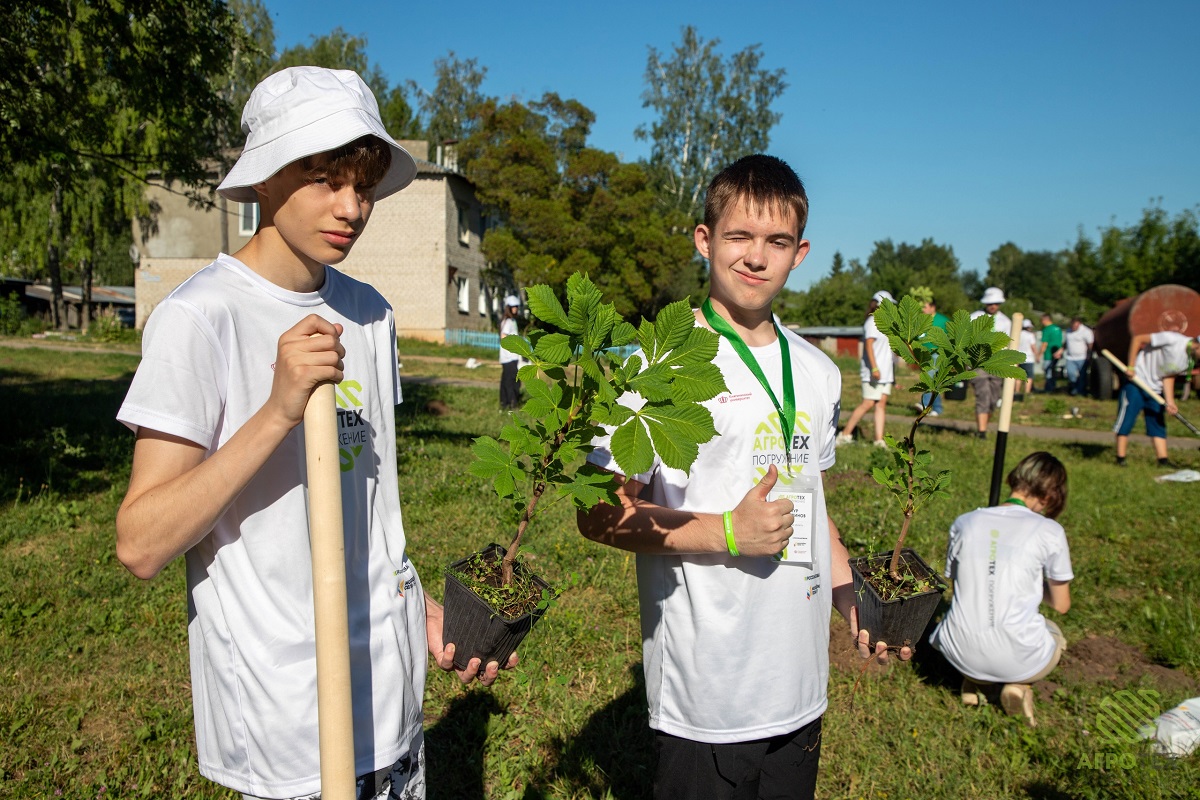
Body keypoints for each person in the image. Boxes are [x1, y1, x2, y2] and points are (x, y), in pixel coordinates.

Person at [114, 67, 510, 800]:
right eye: (325, 177)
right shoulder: (200, 320)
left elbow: (367, 499)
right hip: (286, 717)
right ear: (263, 178)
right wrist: (276, 411)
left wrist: (411, 604)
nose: (351, 207)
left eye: (362, 186)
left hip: (391, 705)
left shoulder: (370, 312)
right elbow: (140, 544)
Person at [577, 155, 907, 800]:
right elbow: (598, 515)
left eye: (777, 242)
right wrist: (726, 531)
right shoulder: (655, 361)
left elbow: (810, 499)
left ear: (800, 253)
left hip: (800, 686)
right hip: (709, 691)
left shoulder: (816, 371)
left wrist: (851, 597)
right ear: (705, 240)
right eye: (739, 236)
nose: (757, 257)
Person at [929, 451, 1073, 727]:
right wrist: (1032, 579)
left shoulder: (965, 521)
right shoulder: (1049, 531)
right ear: (1051, 493)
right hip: (1019, 658)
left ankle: (976, 682)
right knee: (1054, 633)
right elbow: (1062, 603)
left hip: (957, 651)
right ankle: (1019, 685)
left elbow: (956, 580)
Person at [1113, 331, 1200, 467]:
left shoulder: (1189, 361)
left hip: (1155, 389)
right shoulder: (1172, 339)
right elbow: (1138, 338)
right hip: (1137, 381)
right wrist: (1131, 366)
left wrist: (1170, 401)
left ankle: (1163, 461)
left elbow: (1169, 376)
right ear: (1197, 346)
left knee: (1157, 422)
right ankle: (1120, 459)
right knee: (1126, 420)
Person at [837, 290, 895, 446]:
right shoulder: (873, 322)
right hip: (874, 371)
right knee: (868, 403)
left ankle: (878, 440)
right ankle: (845, 434)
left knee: (881, 403)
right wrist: (874, 368)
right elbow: (868, 345)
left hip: (886, 372)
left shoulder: (887, 324)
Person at [969, 287, 1013, 439]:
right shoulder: (974, 317)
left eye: (996, 303)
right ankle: (981, 432)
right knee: (983, 394)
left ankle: (984, 426)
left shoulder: (1006, 322)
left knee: (994, 398)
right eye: (990, 303)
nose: (993, 306)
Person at [914, 291, 949, 416]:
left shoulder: (943, 321)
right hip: (924, 355)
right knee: (934, 382)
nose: (923, 309)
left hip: (938, 354)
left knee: (929, 379)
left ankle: (924, 404)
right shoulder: (921, 321)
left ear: (932, 307)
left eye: (925, 306)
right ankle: (937, 408)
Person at [498, 295, 522, 410]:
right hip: (509, 357)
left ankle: (504, 402)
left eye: (516, 306)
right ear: (508, 307)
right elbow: (503, 337)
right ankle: (512, 403)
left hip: (511, 356)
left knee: (506, 379)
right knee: (513, 380)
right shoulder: (507, 322)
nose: (515, 308)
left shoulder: (512, 321)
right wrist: (514, 346)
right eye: (513, 306)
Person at [1062, 316, 1094, 396]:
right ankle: (1074, 388)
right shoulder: (1068, 331)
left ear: (1079, 324)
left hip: (1082, 357)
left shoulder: (1086, 331)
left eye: (1076, 326)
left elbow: (1090, 344)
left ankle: (1081, 391)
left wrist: (1089, 354)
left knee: (1082, 375)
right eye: (1073, 326)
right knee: (1070, 373)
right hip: (1070, 357)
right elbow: (1066, 343)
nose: (1074, 328)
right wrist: (1061, 350)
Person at [1037, 313, 1063, 393]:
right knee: (1053, 370)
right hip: (1057, 353)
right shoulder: (1058, 328)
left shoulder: (1047, 329)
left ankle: (1049, 389)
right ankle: (1053, 386)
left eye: (1041, 321)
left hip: (1048, 354)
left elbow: (1044, 344)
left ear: (1045, 320)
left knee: (1048, 371)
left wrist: (1039, 355)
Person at [1018, 318, 1038, 396]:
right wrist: (1037, 355)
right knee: (1029, 377)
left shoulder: (1018, 334)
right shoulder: (1030, 335)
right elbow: (1033, 347)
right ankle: (1027, 392)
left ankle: (1017, 391)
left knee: (1018, 376)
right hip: (1029, 358)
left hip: (1018, 358)